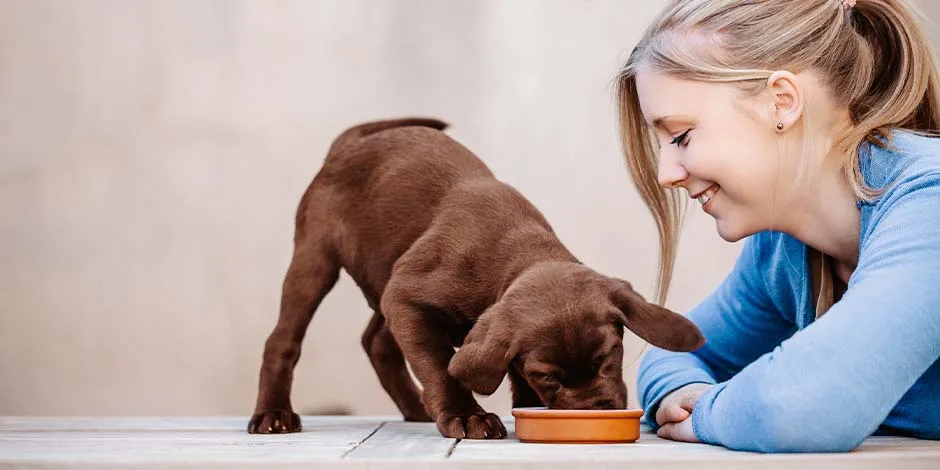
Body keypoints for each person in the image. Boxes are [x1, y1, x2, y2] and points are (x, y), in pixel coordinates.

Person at [617, 0, 940, 453]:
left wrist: (709, 412)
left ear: (782, 103)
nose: (665, 174)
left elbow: (802, 406)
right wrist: (681, 395)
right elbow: (674, 349)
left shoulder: (931, 201)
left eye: (681, 137)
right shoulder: (783, 250)